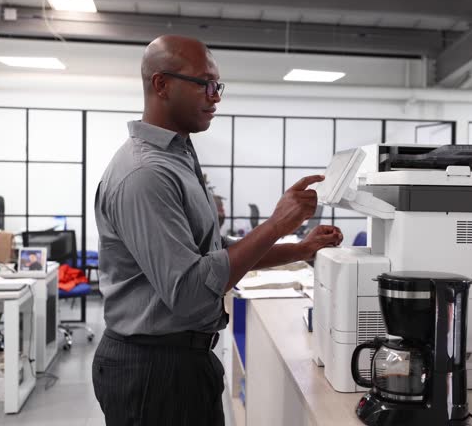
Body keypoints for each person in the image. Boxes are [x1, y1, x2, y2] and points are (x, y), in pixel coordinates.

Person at [91, 35, 343, 426]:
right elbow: (191, 293)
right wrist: (277, 224)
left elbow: (214, 251)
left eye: (217, 85)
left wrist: (300, 248)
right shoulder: (146, 174)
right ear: (162, 84)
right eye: (204, 84)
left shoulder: (179, 156)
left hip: (183, 361)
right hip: (153, 371)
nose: (215, 96)